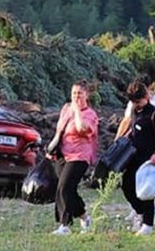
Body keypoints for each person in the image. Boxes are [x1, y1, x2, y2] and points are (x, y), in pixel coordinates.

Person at [49, 81, 99, 235]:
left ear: (86, 95)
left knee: (64, 188)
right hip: (62, 154)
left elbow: (81, 128)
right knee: (65, 189)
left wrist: (77, 110)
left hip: (80, 156)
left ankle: (65, 225)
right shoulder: (66, 108)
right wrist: (51, 147)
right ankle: (84, 217)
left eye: (79, 93)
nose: (76, 96)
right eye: (74, 93)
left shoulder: (90, 114)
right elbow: (60, 130)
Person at [121, 81, 155, 236]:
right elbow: (133, 129)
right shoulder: (136, 112)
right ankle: (140, 212)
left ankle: (148, 225)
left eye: (139, 101)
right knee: (127, 185)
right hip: (134, 157)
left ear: (146, 96)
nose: (137, 104)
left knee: (147, 191)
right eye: (134, 102)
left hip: (149, 159)